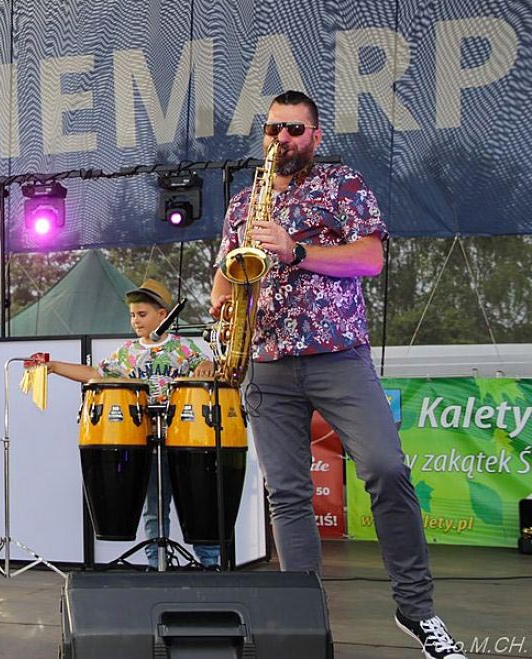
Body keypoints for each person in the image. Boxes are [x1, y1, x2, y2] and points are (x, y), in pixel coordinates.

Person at [210, 90, 466, 659]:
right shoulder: (243, 203)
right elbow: (225, 275)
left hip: (338, 355)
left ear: (315, 136)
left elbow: (370, 259)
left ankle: (417, 609)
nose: (282, 139)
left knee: (386, 469)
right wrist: (224, 301)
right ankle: (303, 626)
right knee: (287, 495)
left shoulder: (341, 184)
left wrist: (296, 250)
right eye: (274, 129)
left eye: (294, 130)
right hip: (267, 362)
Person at [36, 278, 220, 569]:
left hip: (185, 438)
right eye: (132, 315)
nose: (136, 321)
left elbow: (207, 369)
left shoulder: (183, 347)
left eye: (142, 314)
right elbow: (97, 374)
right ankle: (157, 563)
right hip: (145, 438)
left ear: (163, 314)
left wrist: (208, 364)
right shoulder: (127, 352)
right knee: (154, 506)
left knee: (198, 499)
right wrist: (55, 366)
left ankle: (211, 563)